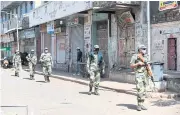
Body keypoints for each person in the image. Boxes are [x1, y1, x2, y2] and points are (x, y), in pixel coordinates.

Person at [130, 44, 150, 111]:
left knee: (144, 90)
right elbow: (131, 65)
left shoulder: (146, 56)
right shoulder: (135, 56)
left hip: (145, 75)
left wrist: (149, 72)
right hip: (139, 74)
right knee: (140, 90)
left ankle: (141, 104)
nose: (145, 50)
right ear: (139, 49)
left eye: (145, 49)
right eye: (143, 49)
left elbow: (148, 64)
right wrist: (138, 64)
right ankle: (138, 105)